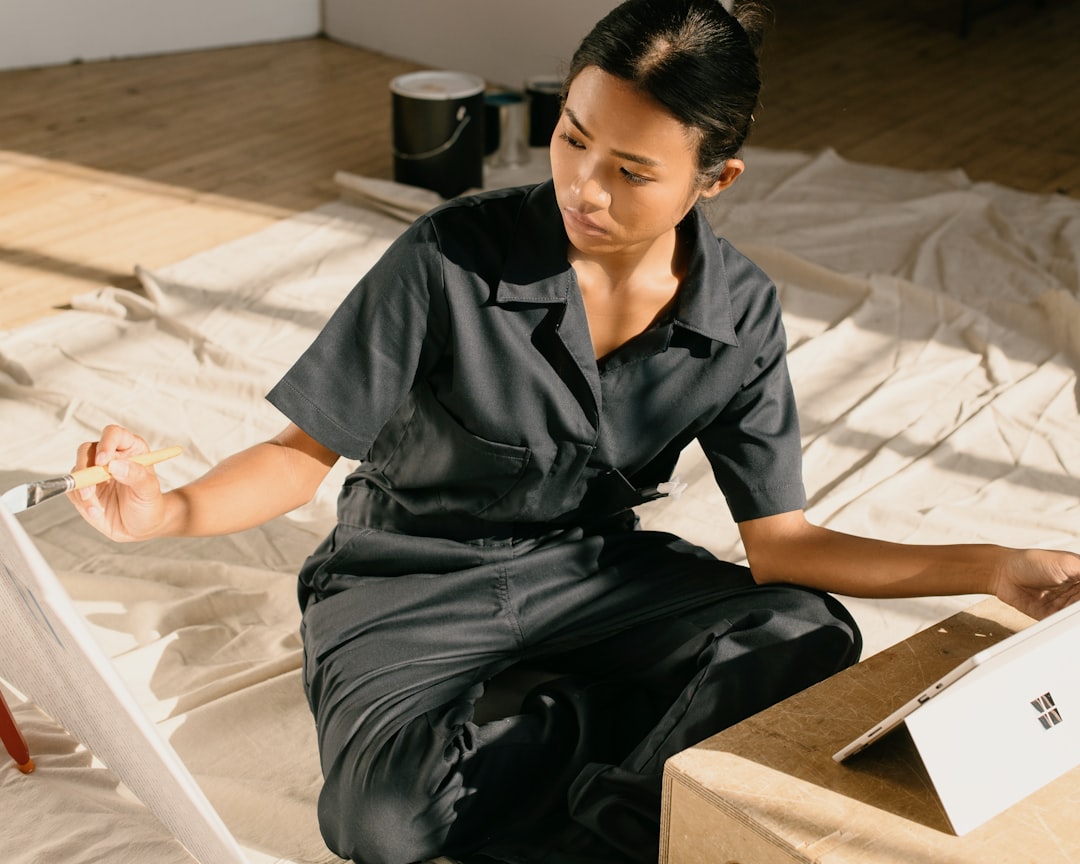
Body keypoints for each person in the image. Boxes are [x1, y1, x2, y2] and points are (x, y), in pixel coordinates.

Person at [68, 1, 1080, 862]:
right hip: (406, 580)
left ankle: (619, 819)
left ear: (712, 181)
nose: (584, 188)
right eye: (572, 137)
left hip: (593, 576)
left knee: (807, 631)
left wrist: (989, 565)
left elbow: (785, 548)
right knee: (380, 820)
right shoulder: (448, 258)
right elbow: (299, 458)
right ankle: (611, 748)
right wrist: (170, 511)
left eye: (633, 170)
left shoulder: (741, 315)